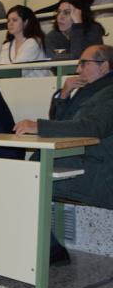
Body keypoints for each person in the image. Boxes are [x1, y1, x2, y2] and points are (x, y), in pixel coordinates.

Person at [14, 45, 113, 210]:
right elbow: (60, 121)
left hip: (98, 170)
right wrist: (65, 93)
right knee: (27, 172)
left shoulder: (108, 92)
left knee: (27, 178)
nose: (78, 69)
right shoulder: (89, 89)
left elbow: (92, 127)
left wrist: (39, 126)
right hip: (81, 159)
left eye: (84, 63)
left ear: (103, 66)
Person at [0, 5, 50, 77]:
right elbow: (0, 71)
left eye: (14, 20)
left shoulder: (33, 42)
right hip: (12, 82)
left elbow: (19, 71)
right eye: (8, 21)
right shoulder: (6, 45)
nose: (10, 23)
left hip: (36, 83)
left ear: (26, 22)